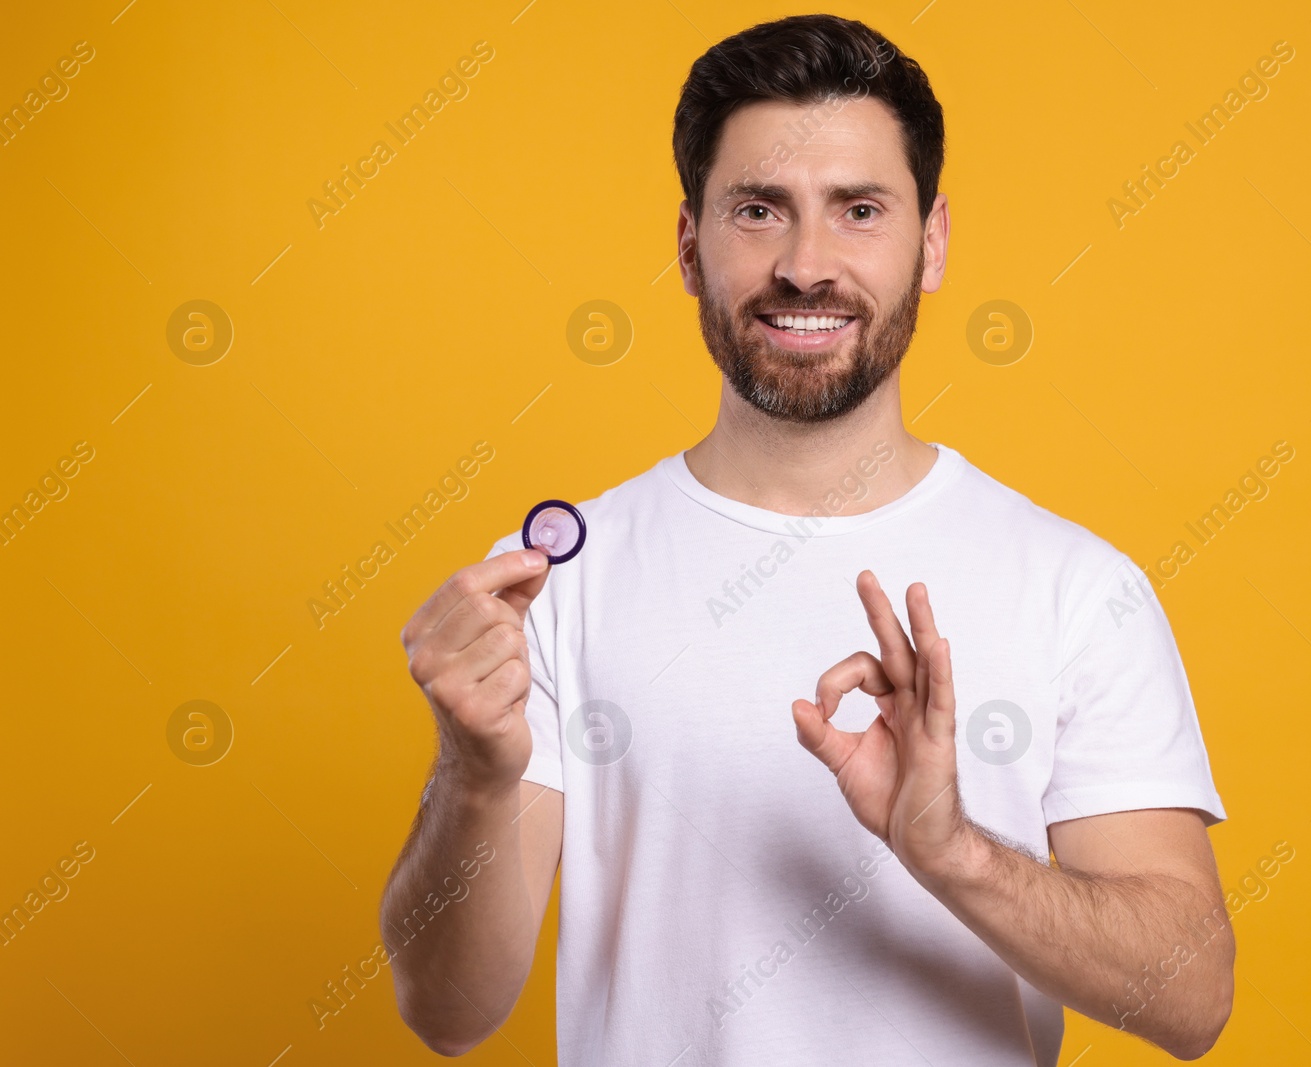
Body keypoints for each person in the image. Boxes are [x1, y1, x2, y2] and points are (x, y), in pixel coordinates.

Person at [382, 12, 1232, 1064]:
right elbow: (448, 1010)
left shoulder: (1076, 586)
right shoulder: (562, 581)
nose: (804, 264)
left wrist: (948, 847)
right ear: (690, 247)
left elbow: (1189, 996)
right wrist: (472, 773)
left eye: (859, 209)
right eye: (757, 209)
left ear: (933, 243)